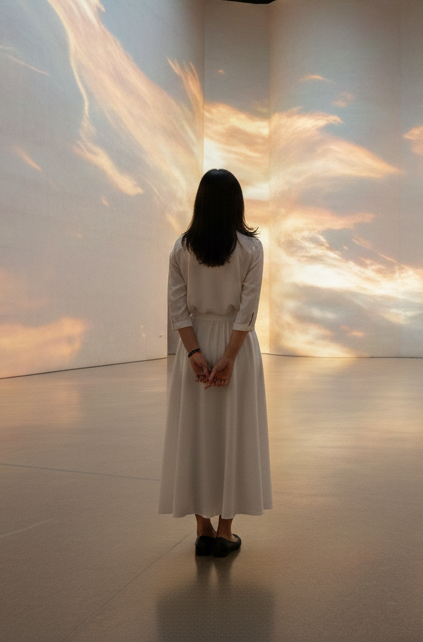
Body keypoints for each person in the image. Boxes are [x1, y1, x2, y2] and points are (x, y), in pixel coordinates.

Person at [158, 168, 272, 558]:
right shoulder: (251, 250)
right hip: (235, 349)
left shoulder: (181, 248)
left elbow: (178, 311)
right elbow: (248, 311)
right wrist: (227, 359)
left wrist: (193, 355)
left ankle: (202, 530)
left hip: (195, 347)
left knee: (194, 432)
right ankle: (225, 531)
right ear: (237, 204)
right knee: (234, 433)